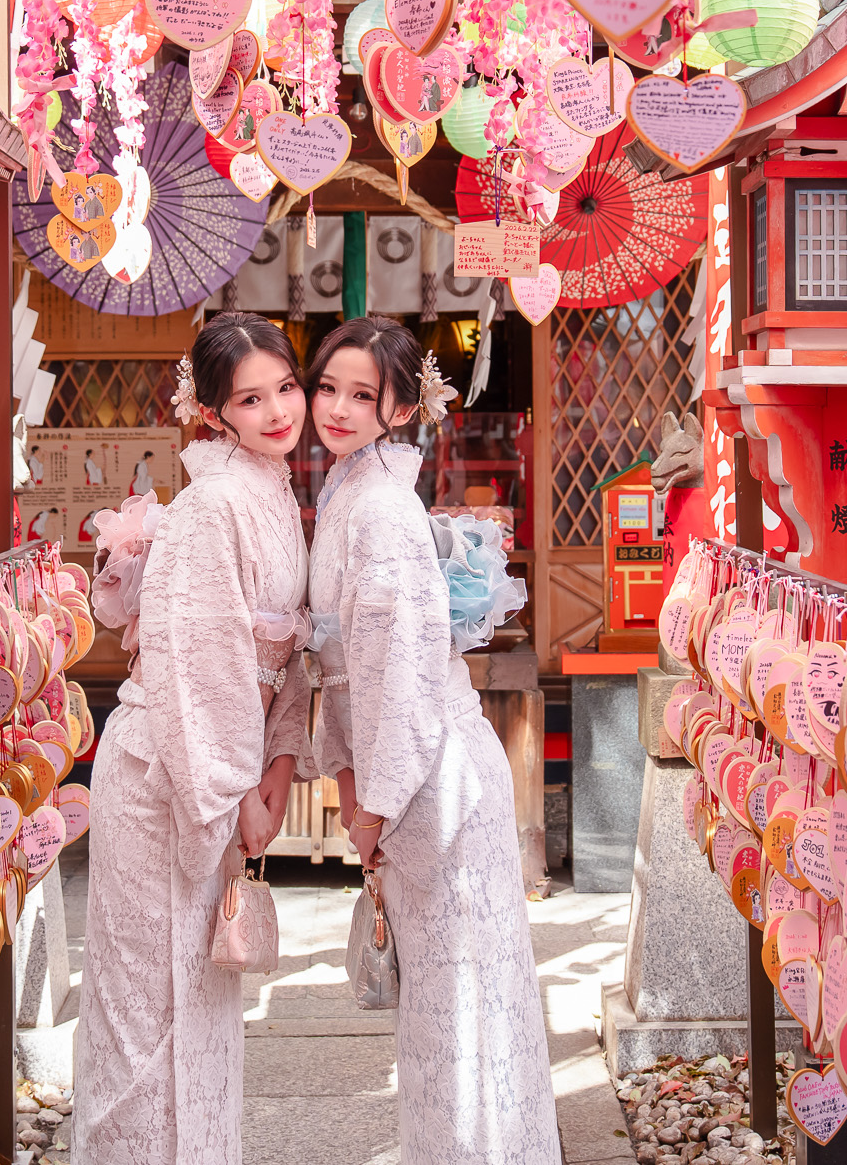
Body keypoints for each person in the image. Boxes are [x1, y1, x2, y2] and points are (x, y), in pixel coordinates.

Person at [307, 316, 557, 1165]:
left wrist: (370, 804)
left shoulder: (379, 508)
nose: (337, 409)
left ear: (403, 408)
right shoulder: (353, 491)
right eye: (328, 387)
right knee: (453, 1008)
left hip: (430, 771)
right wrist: (356, 784)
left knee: (460, 1014)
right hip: (416, 765)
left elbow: (402, 673)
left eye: (363, 395)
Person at [75, 313, 315, 1164]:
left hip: (217, 757)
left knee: (200, 1005)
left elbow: (284, 651)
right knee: (144, 1012)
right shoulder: (211, 504)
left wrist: (278, 763)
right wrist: (234, 788)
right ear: (213, 413)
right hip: (166, 766)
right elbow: (194, 661)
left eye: (286, 387)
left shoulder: (272, 492)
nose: (277, 411)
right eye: (250, 400)